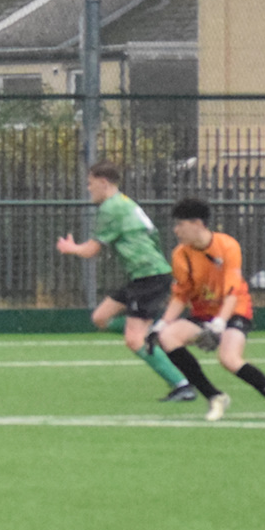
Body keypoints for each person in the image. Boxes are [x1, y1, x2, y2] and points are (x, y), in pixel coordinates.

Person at [153, 198, 265, 423]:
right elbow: (181, 294)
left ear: (197, 223)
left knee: (229, 359)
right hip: (204, 313)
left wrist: (220, 323)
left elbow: (232, 290)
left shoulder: (227, 245)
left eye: (180, 224)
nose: (176, 230)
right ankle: (214, 396)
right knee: (168, 336)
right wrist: (162, 323)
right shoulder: (180, 254)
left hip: (234, 311)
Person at [54, 162, 195, 401]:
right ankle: (152, 333)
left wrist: (71, 248)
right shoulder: (126, 203)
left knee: (133, 340)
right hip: (143, 276)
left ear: (103, 182)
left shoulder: (111, 208)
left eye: (90, 184)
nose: (89, 189)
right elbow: (154, 235)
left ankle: (182, 384)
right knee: (100, 318)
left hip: (148, 277)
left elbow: (91, 251)